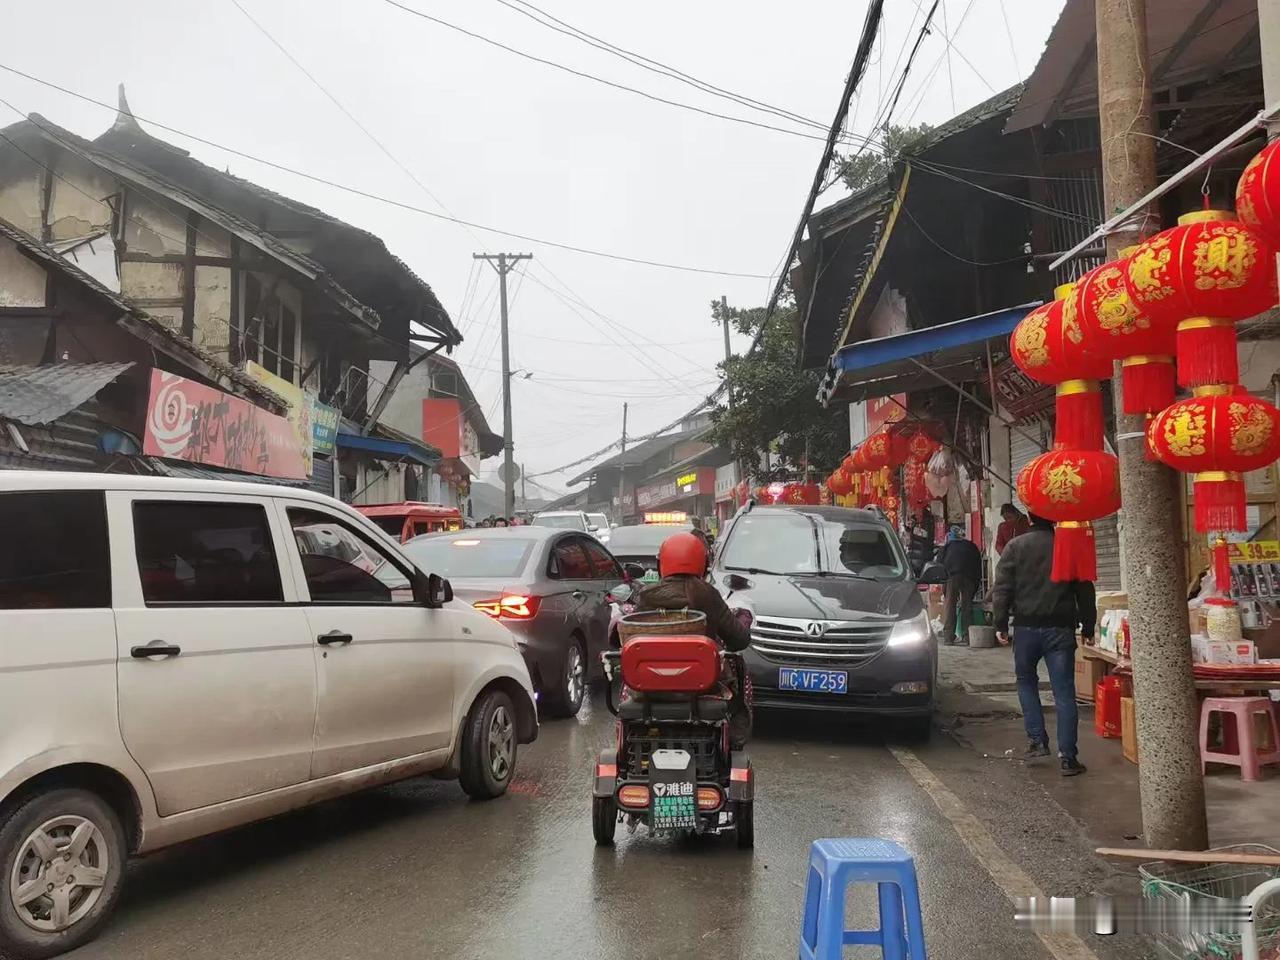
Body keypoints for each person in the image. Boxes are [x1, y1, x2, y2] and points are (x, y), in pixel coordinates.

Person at [992, 513, 1095, 776]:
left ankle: (1037, 740)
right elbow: (1084, 589)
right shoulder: (1067, 545)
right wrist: (1089, 626)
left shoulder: (1015, 547)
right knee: (1064, 692)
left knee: (1026, 681)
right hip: (1060, 630)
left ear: (1028, 517)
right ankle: (1068, 758)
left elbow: (1002, 589)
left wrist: (1001, 625)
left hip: (1026, 629)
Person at [634, 532, 752, 747]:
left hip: (649, 691)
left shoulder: (645, 596)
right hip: (702, 689)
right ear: (704, 563)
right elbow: (740, 640)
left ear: (661, 563)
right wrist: (743, 620)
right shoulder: (708, 595)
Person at [936, 524, 982, 645]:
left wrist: (944, 587)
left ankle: (948, 638)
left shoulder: (947, 547)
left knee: (950, 606)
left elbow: (939, 564)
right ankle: (968, 637)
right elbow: (978, 567)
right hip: (969, 577)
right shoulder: (972, 546)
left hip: (951, 576)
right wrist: (975, 587)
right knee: (967, 607)